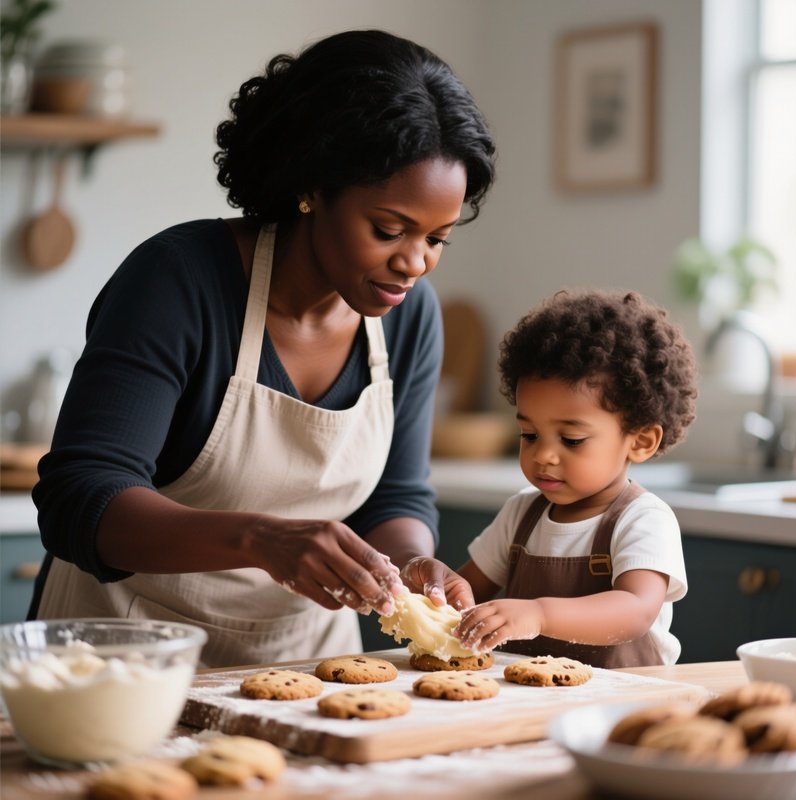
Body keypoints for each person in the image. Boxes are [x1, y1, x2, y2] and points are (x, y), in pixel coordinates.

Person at [29, 29, 496, 667]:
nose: (415, 263)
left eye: (438, 238)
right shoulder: (179, 281)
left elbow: (396, 497)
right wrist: (259, 538)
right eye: (389, 229)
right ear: (312, 187)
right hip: (116, 655)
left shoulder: (409, 319)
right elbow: (80, 498)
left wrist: (414, 563)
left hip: (302, 664)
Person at [402, 289, 698, 667]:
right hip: (529, 701)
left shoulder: (643, 519)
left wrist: (538, 615)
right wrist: (437, 595)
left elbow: (635, 611)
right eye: (529, 434)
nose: (543, 454)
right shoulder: (521, 513)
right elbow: (467, 593)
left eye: (572, 439)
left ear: (640, 441)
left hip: (625, 704)